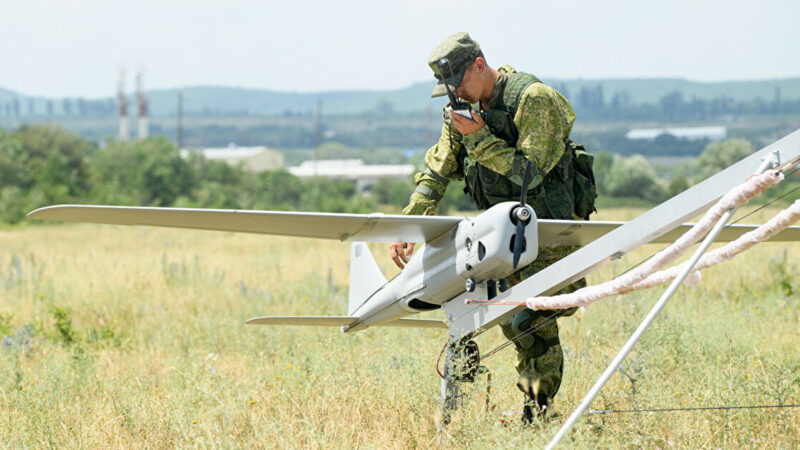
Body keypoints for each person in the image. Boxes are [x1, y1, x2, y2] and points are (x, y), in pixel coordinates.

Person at [390, 32, 596, 423]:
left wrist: (480, 138)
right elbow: (437, 169)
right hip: (502, 242)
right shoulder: (461, 109)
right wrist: (412, 219)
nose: (457, 95)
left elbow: (530, 175)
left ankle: (537, 416)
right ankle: (510, 413)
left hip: (551, 238)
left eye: (460, 83)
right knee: (486, 316)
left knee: (530, 321)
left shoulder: (533, 100)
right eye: (449, 89)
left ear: (480, 65)